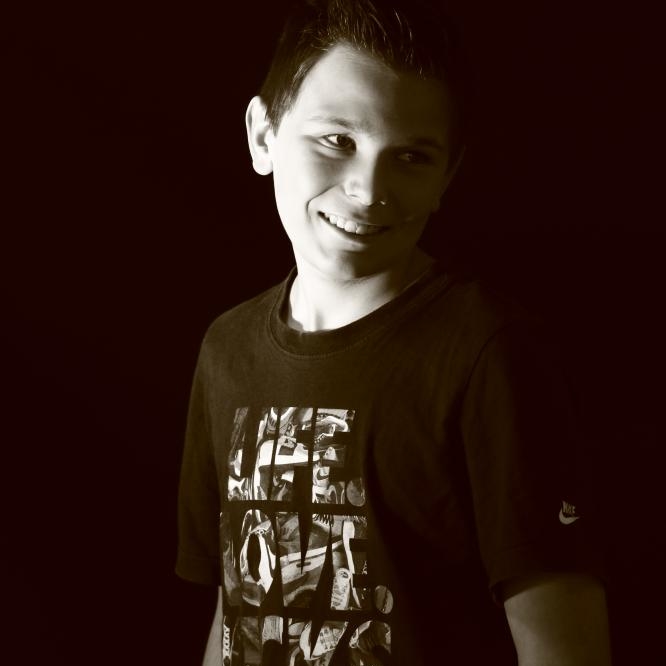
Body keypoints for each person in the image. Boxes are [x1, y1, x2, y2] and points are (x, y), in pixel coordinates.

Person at [176, 1, 612, 664]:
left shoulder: (490, 352)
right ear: (263, 136)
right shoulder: (226, 350)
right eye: (337, 140)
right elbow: (235, 609)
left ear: (447, 177)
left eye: (410, 156)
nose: (368, 189)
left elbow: (565, 645)